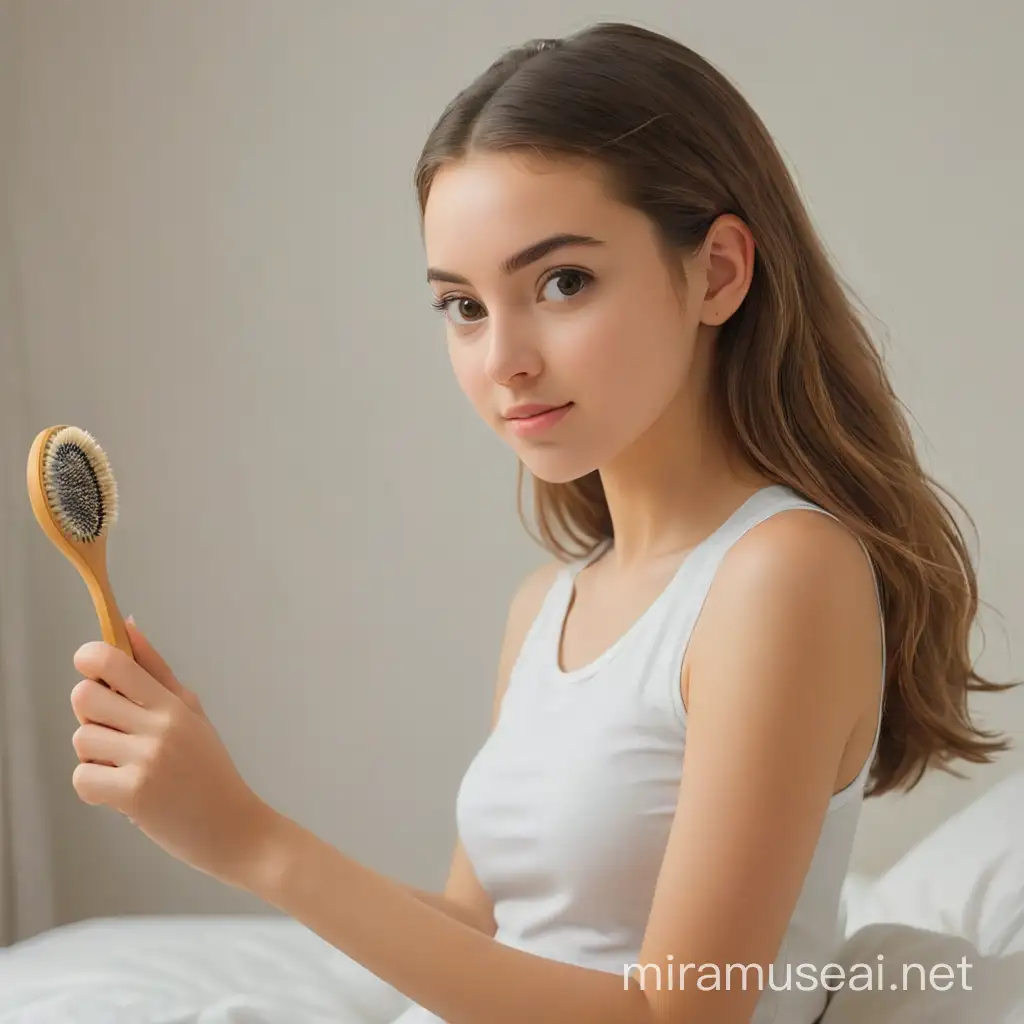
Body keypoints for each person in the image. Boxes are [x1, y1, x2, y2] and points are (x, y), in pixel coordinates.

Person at [69, 21, 1012, 1024]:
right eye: (462, 307)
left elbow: (676, 1015)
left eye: (561, 283)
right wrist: (212, 817)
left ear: (719, 272)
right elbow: (483, 935)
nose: (502, 357)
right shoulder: (548, 604)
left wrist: (253, 839)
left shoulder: (782, 573)